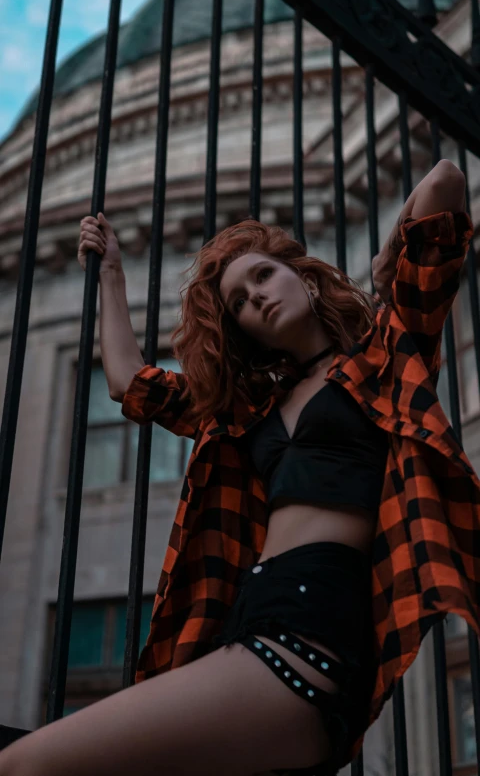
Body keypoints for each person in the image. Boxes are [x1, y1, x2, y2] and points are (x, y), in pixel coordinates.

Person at [1, 158, 480, 776]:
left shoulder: (384, 356)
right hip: (250, 624)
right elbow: (129, 383)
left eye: (262, 275)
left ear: (304, 279)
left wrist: (392, 252)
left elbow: (443, 179)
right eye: (238, 301)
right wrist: (113, 278)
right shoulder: (248, 413)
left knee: (23, 764)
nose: (254, 295)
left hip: (308, 632)